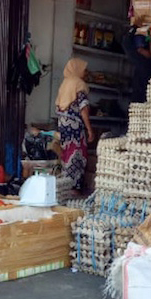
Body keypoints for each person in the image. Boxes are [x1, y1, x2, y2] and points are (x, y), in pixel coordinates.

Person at [56, 58, 95, 197]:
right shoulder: (79, 84)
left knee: (66, 155)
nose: (85, 72)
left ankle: (65, 187)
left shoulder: (64, 84)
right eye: (83, 69)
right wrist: (89, 129)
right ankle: (74, 188)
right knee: (78, 155)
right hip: (75, 128)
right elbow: (83, 108)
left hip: (63, 127)